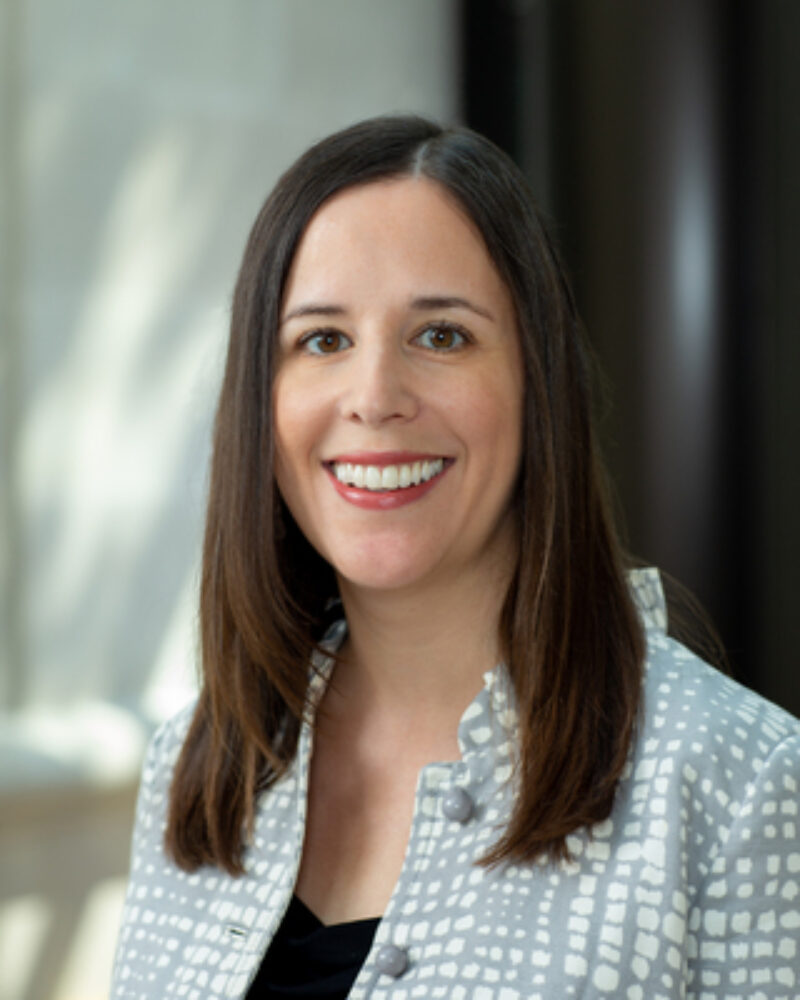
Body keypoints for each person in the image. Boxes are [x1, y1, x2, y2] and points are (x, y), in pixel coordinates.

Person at [110, 116, 800, 1000]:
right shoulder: (197, 764)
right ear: (262, 399)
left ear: (536, 382)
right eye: (322, 340)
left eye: (441, 335)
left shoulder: (740, 782)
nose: (375, 398)